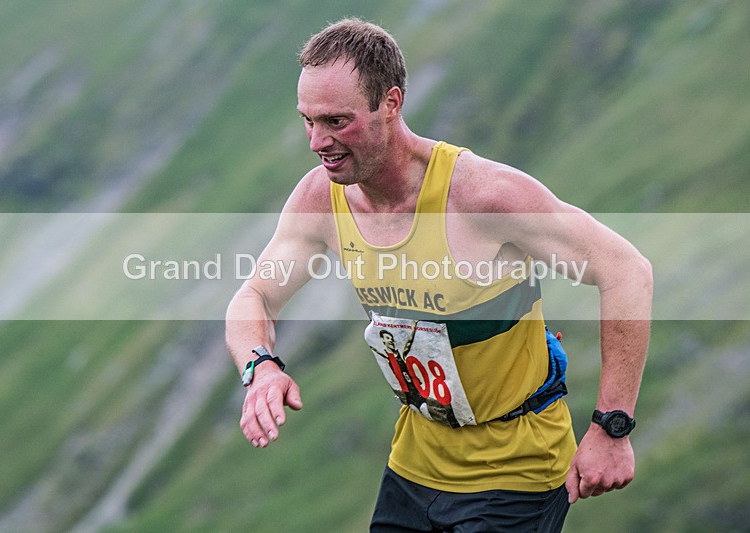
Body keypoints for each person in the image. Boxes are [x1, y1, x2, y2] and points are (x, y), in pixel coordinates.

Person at [225, 18, 652, 532]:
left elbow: (626, 270)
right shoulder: (321, 197)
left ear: (391, 102)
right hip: (415, 465)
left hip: (516, 471)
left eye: (337, 121)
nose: (318, 142)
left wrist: (612, 427)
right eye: (309, 121)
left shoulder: (483, 196)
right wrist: (261, 367)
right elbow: (255, 296)